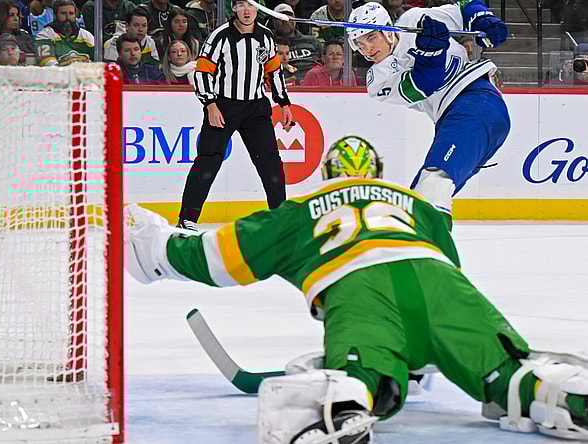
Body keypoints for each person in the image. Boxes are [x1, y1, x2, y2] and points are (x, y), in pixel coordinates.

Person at [124, 135, 588, 444]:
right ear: (379, 173)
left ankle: (336, 406)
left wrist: (156, 247)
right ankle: (565, 395)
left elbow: (221, 257)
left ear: (327, 173)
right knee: (510, 373)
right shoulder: (418, 207)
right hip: (444, 288)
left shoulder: (304, 209)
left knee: (358, 381)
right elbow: (451, 266)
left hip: (360, 292)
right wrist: (426, 349)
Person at [348, 1, 510, 228]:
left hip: (476, 103)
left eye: (371, 38)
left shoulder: (413, 20)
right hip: (455, 120)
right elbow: (423, 85)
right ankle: (421, 253)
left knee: (433, 184)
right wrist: (430, 53)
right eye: (360, 44)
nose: (367, 49)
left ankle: (433, 255)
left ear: (387, 30)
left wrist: (483, 19)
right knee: (418, 205)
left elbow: (465, 6)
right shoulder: (378, 80)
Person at [178, 0, 293, 231]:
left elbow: (274, 71)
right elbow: (202, 72)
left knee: (270, 163)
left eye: (250, 6)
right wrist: (210, 104)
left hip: (255, 108)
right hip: (223, 106)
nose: (247, 11)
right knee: (208, 160)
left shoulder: (266, 36)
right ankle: (187, 218)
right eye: (241, 5)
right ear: (234, 9)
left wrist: (283, 103)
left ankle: (281, 218)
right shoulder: (220, 37)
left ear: (257, 9)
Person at [271, 3, 321, 83]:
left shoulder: (312, 41)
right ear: (273, 22)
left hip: (312, 85)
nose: (285, 21)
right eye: (280, 18)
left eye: (289, 17)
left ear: (295, 20)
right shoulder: (269, 42)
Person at [35, 0, 95, 66]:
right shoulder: (45, 35)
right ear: (55, 15)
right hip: (57, 75)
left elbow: (97, 60)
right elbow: (47, 63)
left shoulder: (86, 36)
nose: (68, 17)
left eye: (71, 13)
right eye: (63, 13)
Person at [0, 0, 35, 65]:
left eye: (17, 15)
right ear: (1, 16)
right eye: (11, 15)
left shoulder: (26, 37)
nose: (16, 19)